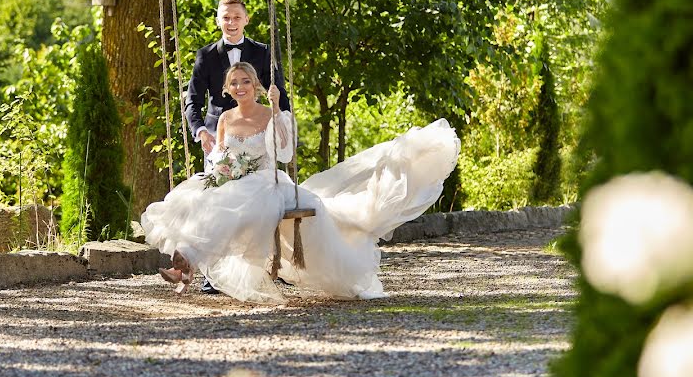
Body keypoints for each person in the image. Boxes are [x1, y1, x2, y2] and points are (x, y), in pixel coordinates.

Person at [141, 62, 461, 304]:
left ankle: (186, 261)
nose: (240, 87)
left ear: (255, 85)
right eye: (234, 83)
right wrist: (221, 171)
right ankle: (186, 264)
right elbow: (220, 156)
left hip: (265, 180)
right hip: (234, 180)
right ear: (227, 88)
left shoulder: (269, 114)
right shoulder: (225, 119)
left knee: (236, 205)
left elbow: (283, 152)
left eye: (246, 82)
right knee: (193, 198)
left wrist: (279, 108)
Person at [185, 0, 290, 294]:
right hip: (221, 135)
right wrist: (201, 132)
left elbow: (279, 92)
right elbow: (192, 100)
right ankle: (211, 273)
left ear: (246, 19)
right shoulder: (206, 55)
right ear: (218, 20)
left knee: (257, 200)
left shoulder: (263, 51)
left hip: (257, 133)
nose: (230, 23)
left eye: (236, 17)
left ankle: (265, 265)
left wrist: (282, 125)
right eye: (225, 18)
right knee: (212, 199)